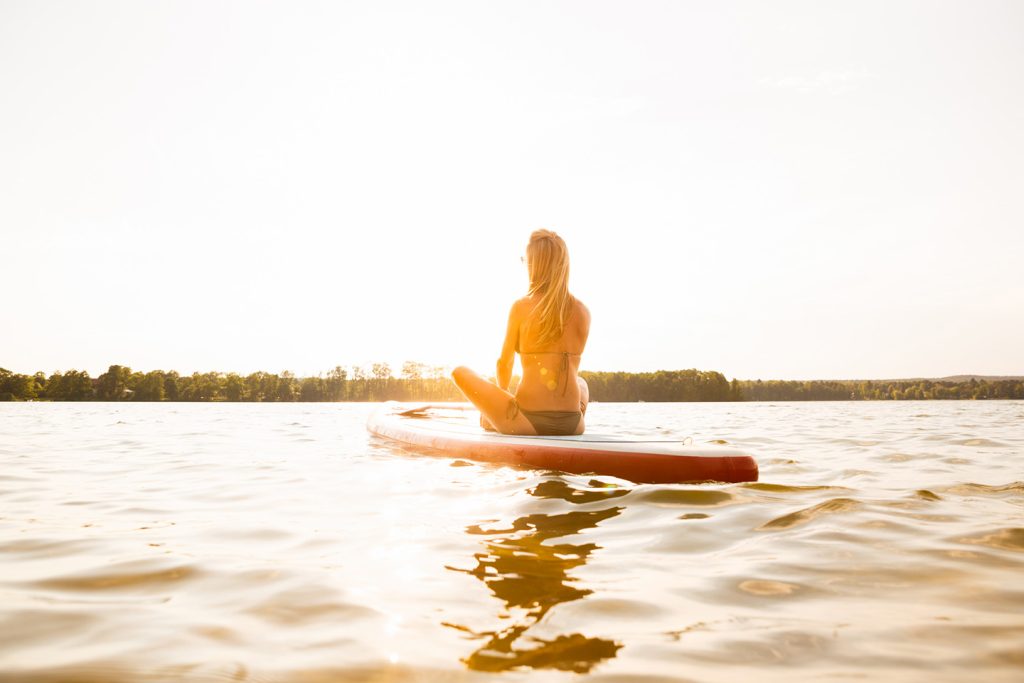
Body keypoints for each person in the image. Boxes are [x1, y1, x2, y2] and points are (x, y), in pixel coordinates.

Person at [452, 229, 591, 435]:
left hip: (528, 421)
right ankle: (576, 414)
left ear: (534, 265)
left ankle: (493, 420)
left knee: (459, 372)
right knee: (581, 383)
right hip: (573, 424)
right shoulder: (583, 311)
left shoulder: (521, 307)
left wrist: (497, 406)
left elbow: (505, 364)